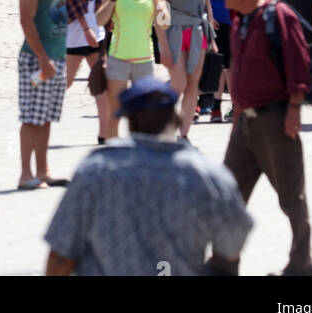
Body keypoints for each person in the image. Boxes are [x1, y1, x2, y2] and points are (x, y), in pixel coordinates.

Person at [45, 77, 253, 277]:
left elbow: (61, 254)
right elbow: (233, 240)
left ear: (131, 121)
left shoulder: (96, 170)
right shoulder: (208, 176)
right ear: (177, 118)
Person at [209, 0, 312, 277]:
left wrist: (294, 111)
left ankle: (300, 266)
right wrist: (236, 122)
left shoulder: (279, 17)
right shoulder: (240, 22)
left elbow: (298, 65)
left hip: (276, 120)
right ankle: (224, 264)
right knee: (229, 194)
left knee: (291, 198)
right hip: (246, 124)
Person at [18, 0, 94, 189]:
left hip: (57, 57)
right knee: (31, 116)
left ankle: (43, 170)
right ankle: (25, 173)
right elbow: (26, 21)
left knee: (47, 116)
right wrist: (41, 57)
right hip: (36, 59)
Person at [96, 0, 167, 139]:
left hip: (144, 59)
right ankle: (113, 154)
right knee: (115, 113)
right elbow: (99, 21)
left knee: (143, 114)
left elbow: (165, 23)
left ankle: (139, 155)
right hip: (118, 58)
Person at [157, 0, 216, 138]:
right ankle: (161, 120)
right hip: (174, 32)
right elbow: (160, 8)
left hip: (197, 31)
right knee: (179, 83)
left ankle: (184, 135)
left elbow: (207, 6)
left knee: (193, 84)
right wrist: (163, 43)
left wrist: (212, 38)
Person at [65, 0, 111, 142]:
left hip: (95, 36)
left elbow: (95, 4)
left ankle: (105, 134)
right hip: (77, 36)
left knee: (102, 84)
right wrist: (86, 29)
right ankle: (37, 115)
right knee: (65, 81)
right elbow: (74, 2)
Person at [200, 0, 231, 123]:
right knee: (222, 65)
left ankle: (200, 101)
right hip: (225, 18)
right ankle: (217, 108)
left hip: (203, 19)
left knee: (200, 61)